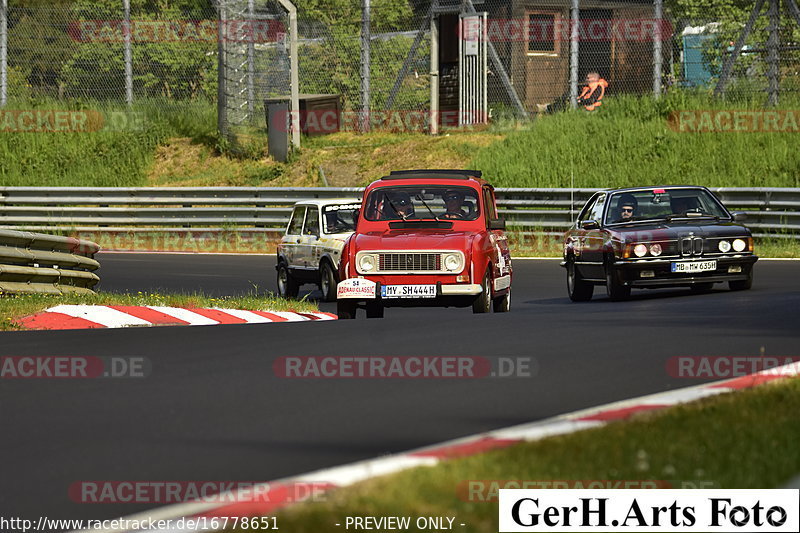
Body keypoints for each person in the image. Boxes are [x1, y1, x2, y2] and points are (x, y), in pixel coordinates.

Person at [537, 72, 609, 114]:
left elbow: (592, 100)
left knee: (565, 103)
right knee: (567, 97)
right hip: (583, 103)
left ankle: (547, 109)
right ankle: (548, 107)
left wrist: (580, 100)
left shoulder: (598, 87)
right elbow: (583, 96)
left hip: (590, 106)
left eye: (588, 78)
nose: (586, 79)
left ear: (594, 79)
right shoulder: (589, 88)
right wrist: (578, 99)